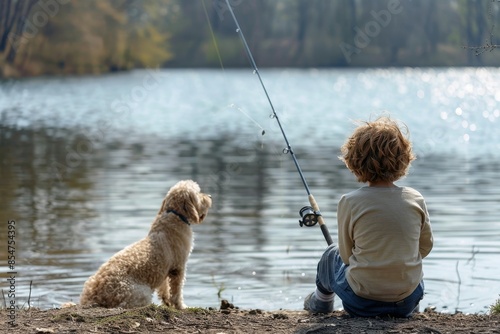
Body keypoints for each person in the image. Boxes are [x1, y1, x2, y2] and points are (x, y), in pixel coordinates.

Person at [304, 115, 433, 317]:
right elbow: (425, 247)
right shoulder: (416, 199)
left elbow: (346, 256)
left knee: (331, 255)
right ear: (404, 159)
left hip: (361, 304)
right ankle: (412, 309)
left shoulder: (350, 201)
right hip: (406, 301)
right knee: (410, 262)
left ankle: (321, 302)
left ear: (354, 161)